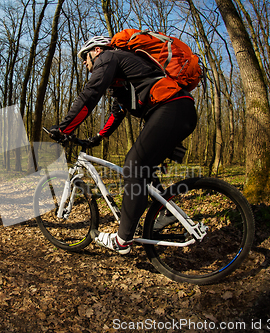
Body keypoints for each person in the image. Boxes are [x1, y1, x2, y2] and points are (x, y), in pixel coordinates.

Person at [49, 36, 197, 254]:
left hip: (172, 109)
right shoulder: (124, 79)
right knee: (144, 170)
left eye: (84, 57)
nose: (84, 63)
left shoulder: (109, 57)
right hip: (179, 112)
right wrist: (97, 137)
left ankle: (122, 240)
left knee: (133, 166)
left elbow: (91, 93)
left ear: (97, 50)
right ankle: (166, 213)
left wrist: (64, 128)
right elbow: (117, 112)